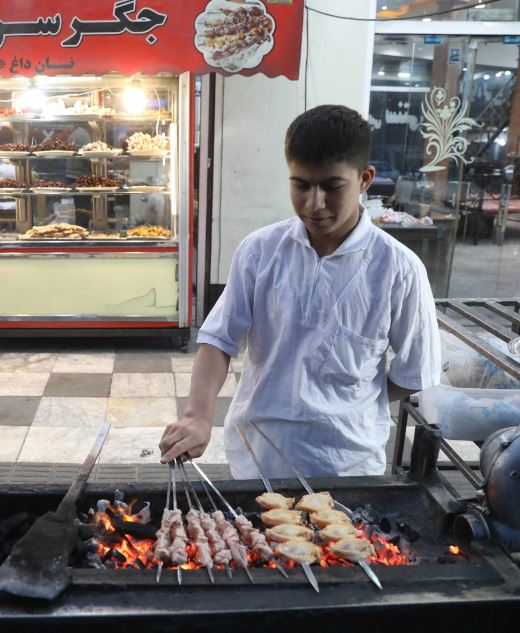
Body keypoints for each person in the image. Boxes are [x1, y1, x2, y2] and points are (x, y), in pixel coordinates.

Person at [159, 105, 441, 478]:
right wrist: (198, 416)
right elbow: (218, 340)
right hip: (256, 458)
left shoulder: (398, 269)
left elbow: (413, 372)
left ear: (365, 179)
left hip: (347, 466)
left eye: (332, 187)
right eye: (301, 185)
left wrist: (345, 399)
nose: (314, 204)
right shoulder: (260, 251)